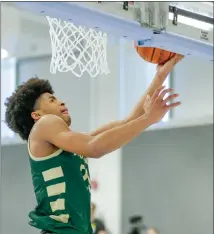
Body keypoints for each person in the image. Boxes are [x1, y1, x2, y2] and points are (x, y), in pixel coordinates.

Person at [4, 54, 183, 234]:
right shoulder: (45, 124)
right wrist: (148, 119)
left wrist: (160, 76)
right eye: (52, 99)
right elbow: (95, 147)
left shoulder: (71, 146)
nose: (61, 101)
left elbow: (129, 121)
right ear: (37, 115)